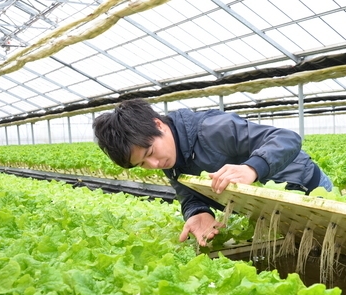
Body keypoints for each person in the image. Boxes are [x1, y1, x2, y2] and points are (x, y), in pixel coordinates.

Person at [93, 98, 333, 246]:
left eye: (150, 153)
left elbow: (286, 138)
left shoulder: (213, 129)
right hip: (269, 210)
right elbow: (186, 192)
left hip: (308, 190)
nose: (154, 165)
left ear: (158, 125)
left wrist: (252, 168)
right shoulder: (169, 158)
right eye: (143, 165)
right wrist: (197, 212)